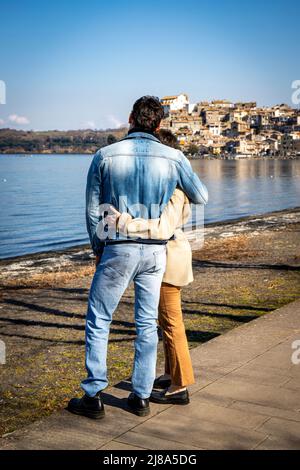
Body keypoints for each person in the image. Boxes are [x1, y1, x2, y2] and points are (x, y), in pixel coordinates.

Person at [68, 96, 208, 419]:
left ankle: (93, 394)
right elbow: (200, 194)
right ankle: (141, 396)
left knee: (100, 317)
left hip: (119, 245)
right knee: (146, 323)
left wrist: (98, 247)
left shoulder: (104, 156)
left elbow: (93, 211)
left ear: (131, 117)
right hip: (156, 251)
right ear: (159, 125)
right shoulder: (173, 157)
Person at [106, 130, 198, 406]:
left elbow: (162, 228)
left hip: (169, 259)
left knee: (171, 324)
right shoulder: (170, 185)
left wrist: (124, 222)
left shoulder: (177, 190)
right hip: (166, 256)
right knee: (165, 321)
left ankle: (181, 385)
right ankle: (171, 374)